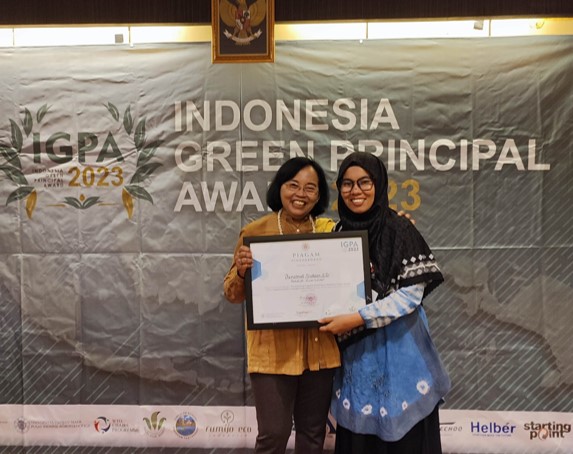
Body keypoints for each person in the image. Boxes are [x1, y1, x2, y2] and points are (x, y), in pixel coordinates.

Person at [319, 152, 451, 454]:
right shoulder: (338, 234)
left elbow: (409, 296)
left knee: (405, 442)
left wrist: (356, 319)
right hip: (358, 358)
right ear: (339, 188)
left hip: (400, 352)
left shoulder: (399, 229)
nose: (356, 191)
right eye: (348, 183)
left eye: (365, 182)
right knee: (361, 440)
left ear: (378, 185)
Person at [223, 156, 340, 454]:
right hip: (271, 354)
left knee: (313, 436)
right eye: (293, 185)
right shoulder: (256, 232)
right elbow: (232, 293)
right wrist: (241, 271)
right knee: (273, 435)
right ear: (280, 188)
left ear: (319, 195)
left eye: (310, 188)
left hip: (320, 353)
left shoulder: (331, 232)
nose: (301, 194)